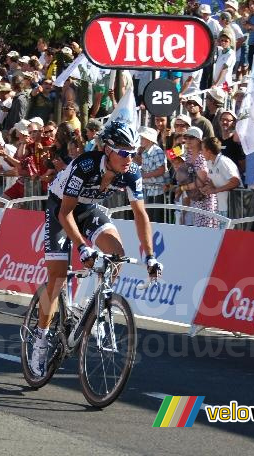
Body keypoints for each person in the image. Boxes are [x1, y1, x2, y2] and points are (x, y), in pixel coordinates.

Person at [29, 121, 162, 377]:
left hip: (89, 209)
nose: (129, 158)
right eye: (123, 152)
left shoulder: (131, 172)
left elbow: (140, 215)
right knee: (57, 278)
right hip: (61, 209)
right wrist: (82, 247)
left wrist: (150, 256)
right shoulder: (86, 165)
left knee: (116, 256)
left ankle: (92, 308)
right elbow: (65, 213)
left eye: (133, 152)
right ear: (108, 150)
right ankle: (41, 340)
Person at [136, 126, 167, 223]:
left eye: (143, 138)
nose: (141, 140)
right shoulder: (144, 152)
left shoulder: (157, 151)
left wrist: (144, 175)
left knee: (157, 219)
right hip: (148, 189)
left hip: (157, 190)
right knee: (149, 218)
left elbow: (161, 170)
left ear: (149, 139)